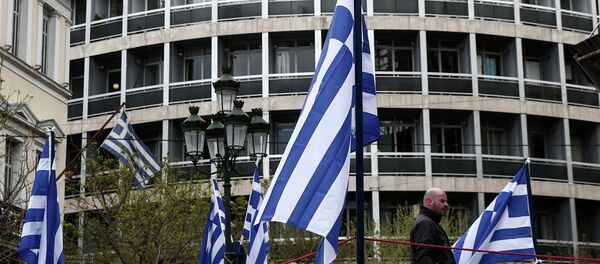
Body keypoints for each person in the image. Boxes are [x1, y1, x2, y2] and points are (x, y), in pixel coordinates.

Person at [410, 188, 455, 264]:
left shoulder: (429, 222)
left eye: (446, 202)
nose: (446, 205)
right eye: (442, 201)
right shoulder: (425, 223)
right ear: (430, 201)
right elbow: (424, 257)